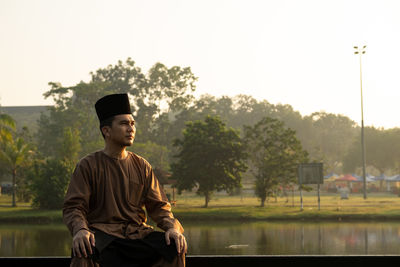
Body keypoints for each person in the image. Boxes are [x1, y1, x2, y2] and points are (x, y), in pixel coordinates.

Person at [63, 93, 187, 267]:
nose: (131, 129)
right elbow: (74, 207)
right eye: (123, 124)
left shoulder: (141, 165)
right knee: (83, 249)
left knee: (175, 246)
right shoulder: (87, 165)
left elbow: (159, 206)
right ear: (106, 131)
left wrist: (172, 228)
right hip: (102, 236)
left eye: (132, 124)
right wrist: (81, 229)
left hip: (137, 235)